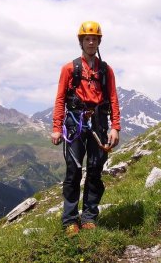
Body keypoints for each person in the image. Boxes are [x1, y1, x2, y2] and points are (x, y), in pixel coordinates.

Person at [51, 20, 121, 236]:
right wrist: (56, 127)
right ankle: (70, 220)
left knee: (94, 171)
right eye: (87, 39)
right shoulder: (69, 69)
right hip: (75, 124)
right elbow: (60, 98)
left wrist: (115, 127)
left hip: (99, 123)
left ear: (99, 42)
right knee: (73, 172)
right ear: (81, 41)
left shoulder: (105, 70)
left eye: (94, 39)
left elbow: (113, 98)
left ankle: (89, 217)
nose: (91, 42)